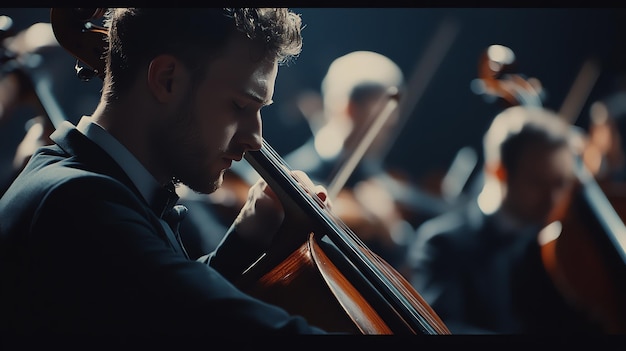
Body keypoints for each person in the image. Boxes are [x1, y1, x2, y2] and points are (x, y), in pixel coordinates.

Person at [0, 8, 335, 335]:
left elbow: (154, 307)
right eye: (241, 105)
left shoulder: (104, 189)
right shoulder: (78, 202)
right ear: (166, 79)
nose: (256, 139)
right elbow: (210, 320)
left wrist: (249, 235)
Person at [403, 105, 603, 334]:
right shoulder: (444, 243)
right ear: (498, 172)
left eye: (560, 183)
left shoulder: (559, 255)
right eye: (537, 182)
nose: (553, 199)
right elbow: (438, 327)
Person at [284, 51, 448, 269]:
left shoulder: (374, 174)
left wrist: (393, 232)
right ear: (348, 108)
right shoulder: (297, 171)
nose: (391, 122)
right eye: (384, 112)